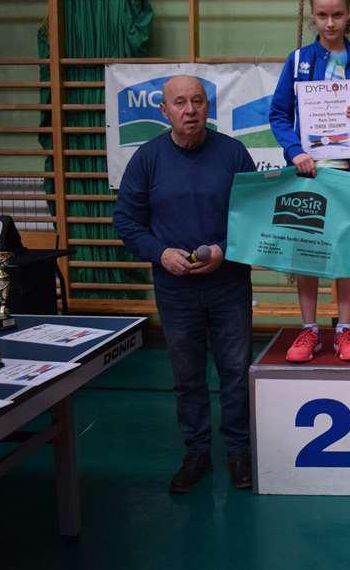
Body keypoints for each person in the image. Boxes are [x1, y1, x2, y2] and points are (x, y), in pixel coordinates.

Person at [113, 75, 256, 493]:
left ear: (208, 107)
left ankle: (239, 452)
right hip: (174, 288)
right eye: (179, 102)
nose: (190, 110)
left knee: (235, 371)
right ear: (164, 110)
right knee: (187, 375)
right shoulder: (147, 158)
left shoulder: (233, 153)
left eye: (197, 101)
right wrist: (160, 254)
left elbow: (254, 216)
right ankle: (196, 454)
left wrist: (223, 251)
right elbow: (126, 221)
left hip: (228, 282)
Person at [269, 0, 350, 363]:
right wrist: (294, 151)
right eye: (322, 15)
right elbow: (278, 114)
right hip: (309, 171)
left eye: (337, 15)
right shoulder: (298, 61)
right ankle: (309, 329)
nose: (330, 23)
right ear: (313, 16)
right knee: (307, 250)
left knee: (345, 249)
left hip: (349, 171)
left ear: (349, 14)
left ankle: (344, 328)